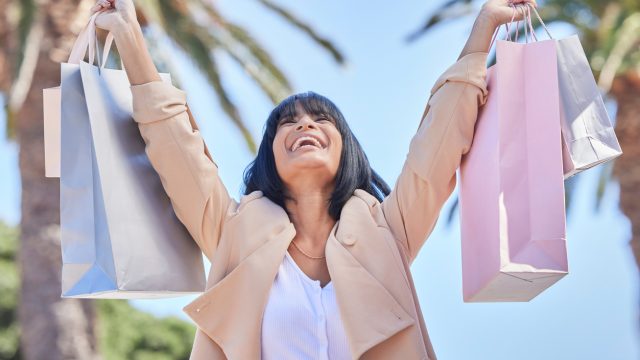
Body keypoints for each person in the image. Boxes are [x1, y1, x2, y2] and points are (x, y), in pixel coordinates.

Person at [90, 0, 537, 359]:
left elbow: (436, 149)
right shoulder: (235, 235)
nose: (305, 125)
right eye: (288, 122)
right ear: (270, 155)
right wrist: (130, 36)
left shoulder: (388, 231)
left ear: (346, 149)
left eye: (321, 119)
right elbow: (177, 153)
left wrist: (484, 29)